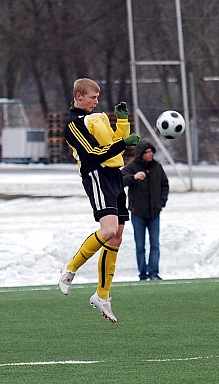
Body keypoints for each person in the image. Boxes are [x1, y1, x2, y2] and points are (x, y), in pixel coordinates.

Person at [59, 78, 140, 323]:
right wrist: (122, 144)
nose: (96, 102)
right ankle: (69, 269)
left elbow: (115, 142)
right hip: (97, 175)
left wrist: (123, 122)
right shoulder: (73, 124)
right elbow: (93, 154)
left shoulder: (101, 116)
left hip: (116, 175)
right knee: (107, 231)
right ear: (79, 96)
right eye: (93, 98)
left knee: (117, 235)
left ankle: (102, 295)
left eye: (98, 98)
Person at [122, 141, 169, 281]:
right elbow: (120, 180)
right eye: (148, 152)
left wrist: (160, 203)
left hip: (154, 212)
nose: (151, 154)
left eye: (152, 151)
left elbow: (164, 184)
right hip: (138, 213)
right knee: (140, 245)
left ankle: (153, 273)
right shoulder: (132, 167)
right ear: (141, 154)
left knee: (155, 244)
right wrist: (133, 178)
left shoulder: (157, 167)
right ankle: (143, 274)